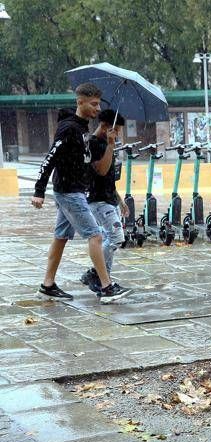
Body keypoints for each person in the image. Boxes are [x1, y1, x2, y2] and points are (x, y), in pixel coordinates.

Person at [31, 83, 132, 304]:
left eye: (98, 104)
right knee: (95, 236)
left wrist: (110, 145)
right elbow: (51, 157)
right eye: (93, 104)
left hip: (74, 190)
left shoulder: (82, 128)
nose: (97, 108)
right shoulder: (69, 128)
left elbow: (95, 165)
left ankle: (47, 285)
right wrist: (39, 190)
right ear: (80, 102)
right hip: (69, 192)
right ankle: (106, 287)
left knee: (61, 238)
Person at [79, 109, 130, 293]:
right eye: (116, 130)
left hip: (109, 199)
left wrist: (121, 201)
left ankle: (104, 281)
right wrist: (110, 145)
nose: (118, 134)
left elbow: (109, 178)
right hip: (98, 201)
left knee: (111, 238)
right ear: (105, 127)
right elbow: (100, 170)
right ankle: (95, 272)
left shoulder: (106, 144)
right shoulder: (93, 144)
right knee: (116, 238)